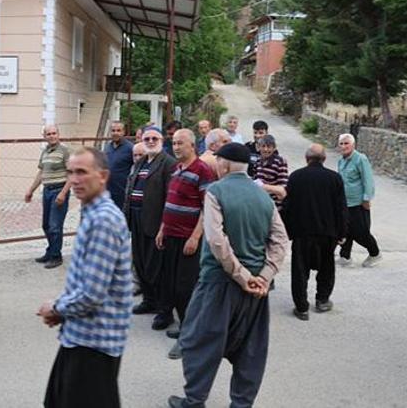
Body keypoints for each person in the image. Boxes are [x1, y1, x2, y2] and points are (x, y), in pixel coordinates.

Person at [168, 143, 289, 408]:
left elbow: (216, 239)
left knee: (200, 342)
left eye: (217, 161)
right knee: (251, 349)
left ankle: (194, 400)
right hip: (257, 289)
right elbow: (280, 241)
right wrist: (264, 276)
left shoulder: (216, 192)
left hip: (219, 282)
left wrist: (242, 275)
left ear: (224, 164)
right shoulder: (263, 198)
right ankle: (242, 404)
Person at [38, 147, 132, 408]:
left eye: (82, 172)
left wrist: (56, 308)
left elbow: (91, 294)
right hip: (80, 336)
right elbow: (85, 281)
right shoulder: (92, 213)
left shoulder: (103, 220)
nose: (74, 179)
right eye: (70, 172)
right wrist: (62, 311)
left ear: (102, 176)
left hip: (94, 344)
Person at [155, 129, 215, 358]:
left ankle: (189, 338)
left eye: (181, 143)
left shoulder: (202, 170)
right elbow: (170, 202)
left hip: (187, 239)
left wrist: (195, 236)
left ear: (193, 145)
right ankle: (184, 328)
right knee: (171, 285)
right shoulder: (176, 169)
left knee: (185, 289)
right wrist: (162, 228)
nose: (176, 147)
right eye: (174, 143)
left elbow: (206, 207)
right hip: (170, 236)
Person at [282, 144, 348, 321]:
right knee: (327, 267)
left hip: (302, 232)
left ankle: (302, 306)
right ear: (324, 159)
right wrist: (342, 232)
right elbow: (341, 208)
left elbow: (288, 206)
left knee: (300, 269)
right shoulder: (334, 178)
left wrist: (287, 231)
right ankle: (322, 300)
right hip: (328, 232)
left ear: (306, 158)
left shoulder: (296, 177)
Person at [124, 126, 176, 317]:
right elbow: (130, 190)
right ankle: (149, 301)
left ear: (162, 141)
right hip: (136, 220)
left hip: (155, 223)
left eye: (155, 138)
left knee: (158, 268)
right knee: (141, 263)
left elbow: (171, 199)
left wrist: (164, 227)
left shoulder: (168, 163)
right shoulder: (141, 161)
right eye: (147, 139)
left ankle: (164, 310)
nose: (151, 142)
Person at [26, 125, 71, 269]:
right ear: (44, 136)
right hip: (47, 191)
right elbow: (41, 173)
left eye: (54, 133)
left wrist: (63, 193)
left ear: (58, 134)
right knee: (46, 225)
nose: (51, 136)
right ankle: (50, 251)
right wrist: (31, 190)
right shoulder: (45, 152)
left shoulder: (64, 151)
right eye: (48, 134)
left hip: (59, 190)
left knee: (55, 226)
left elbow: (72, 174)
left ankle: (56, 256)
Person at [337, 133, 382, 267]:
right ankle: (345, 256)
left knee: (360, 231)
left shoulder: (360, 159)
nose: (344, 146)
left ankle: (375, 254)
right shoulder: (341, 161)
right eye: (341, 143)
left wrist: (367, 198)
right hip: (345, 202)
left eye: (346, 143)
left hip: (358, 202)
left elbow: (368, 180)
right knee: (345, 230)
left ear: (353, 145)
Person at [105, 121, 134, 210]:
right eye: (113, 130)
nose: (115, 133)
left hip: (122, 192)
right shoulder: (107, 147)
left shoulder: (130, 148)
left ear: (123, 132)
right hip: (107, 191)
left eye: (118, 130)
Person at [253, 135, 288, 206]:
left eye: (269, 147)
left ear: (274, 148)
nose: (266, 149)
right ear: (259, 147)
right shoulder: (258, 161)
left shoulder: (279, 161)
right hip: (259, 202)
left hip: (274, 204)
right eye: (263, 146)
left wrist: (263, 186)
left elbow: (283, 187)